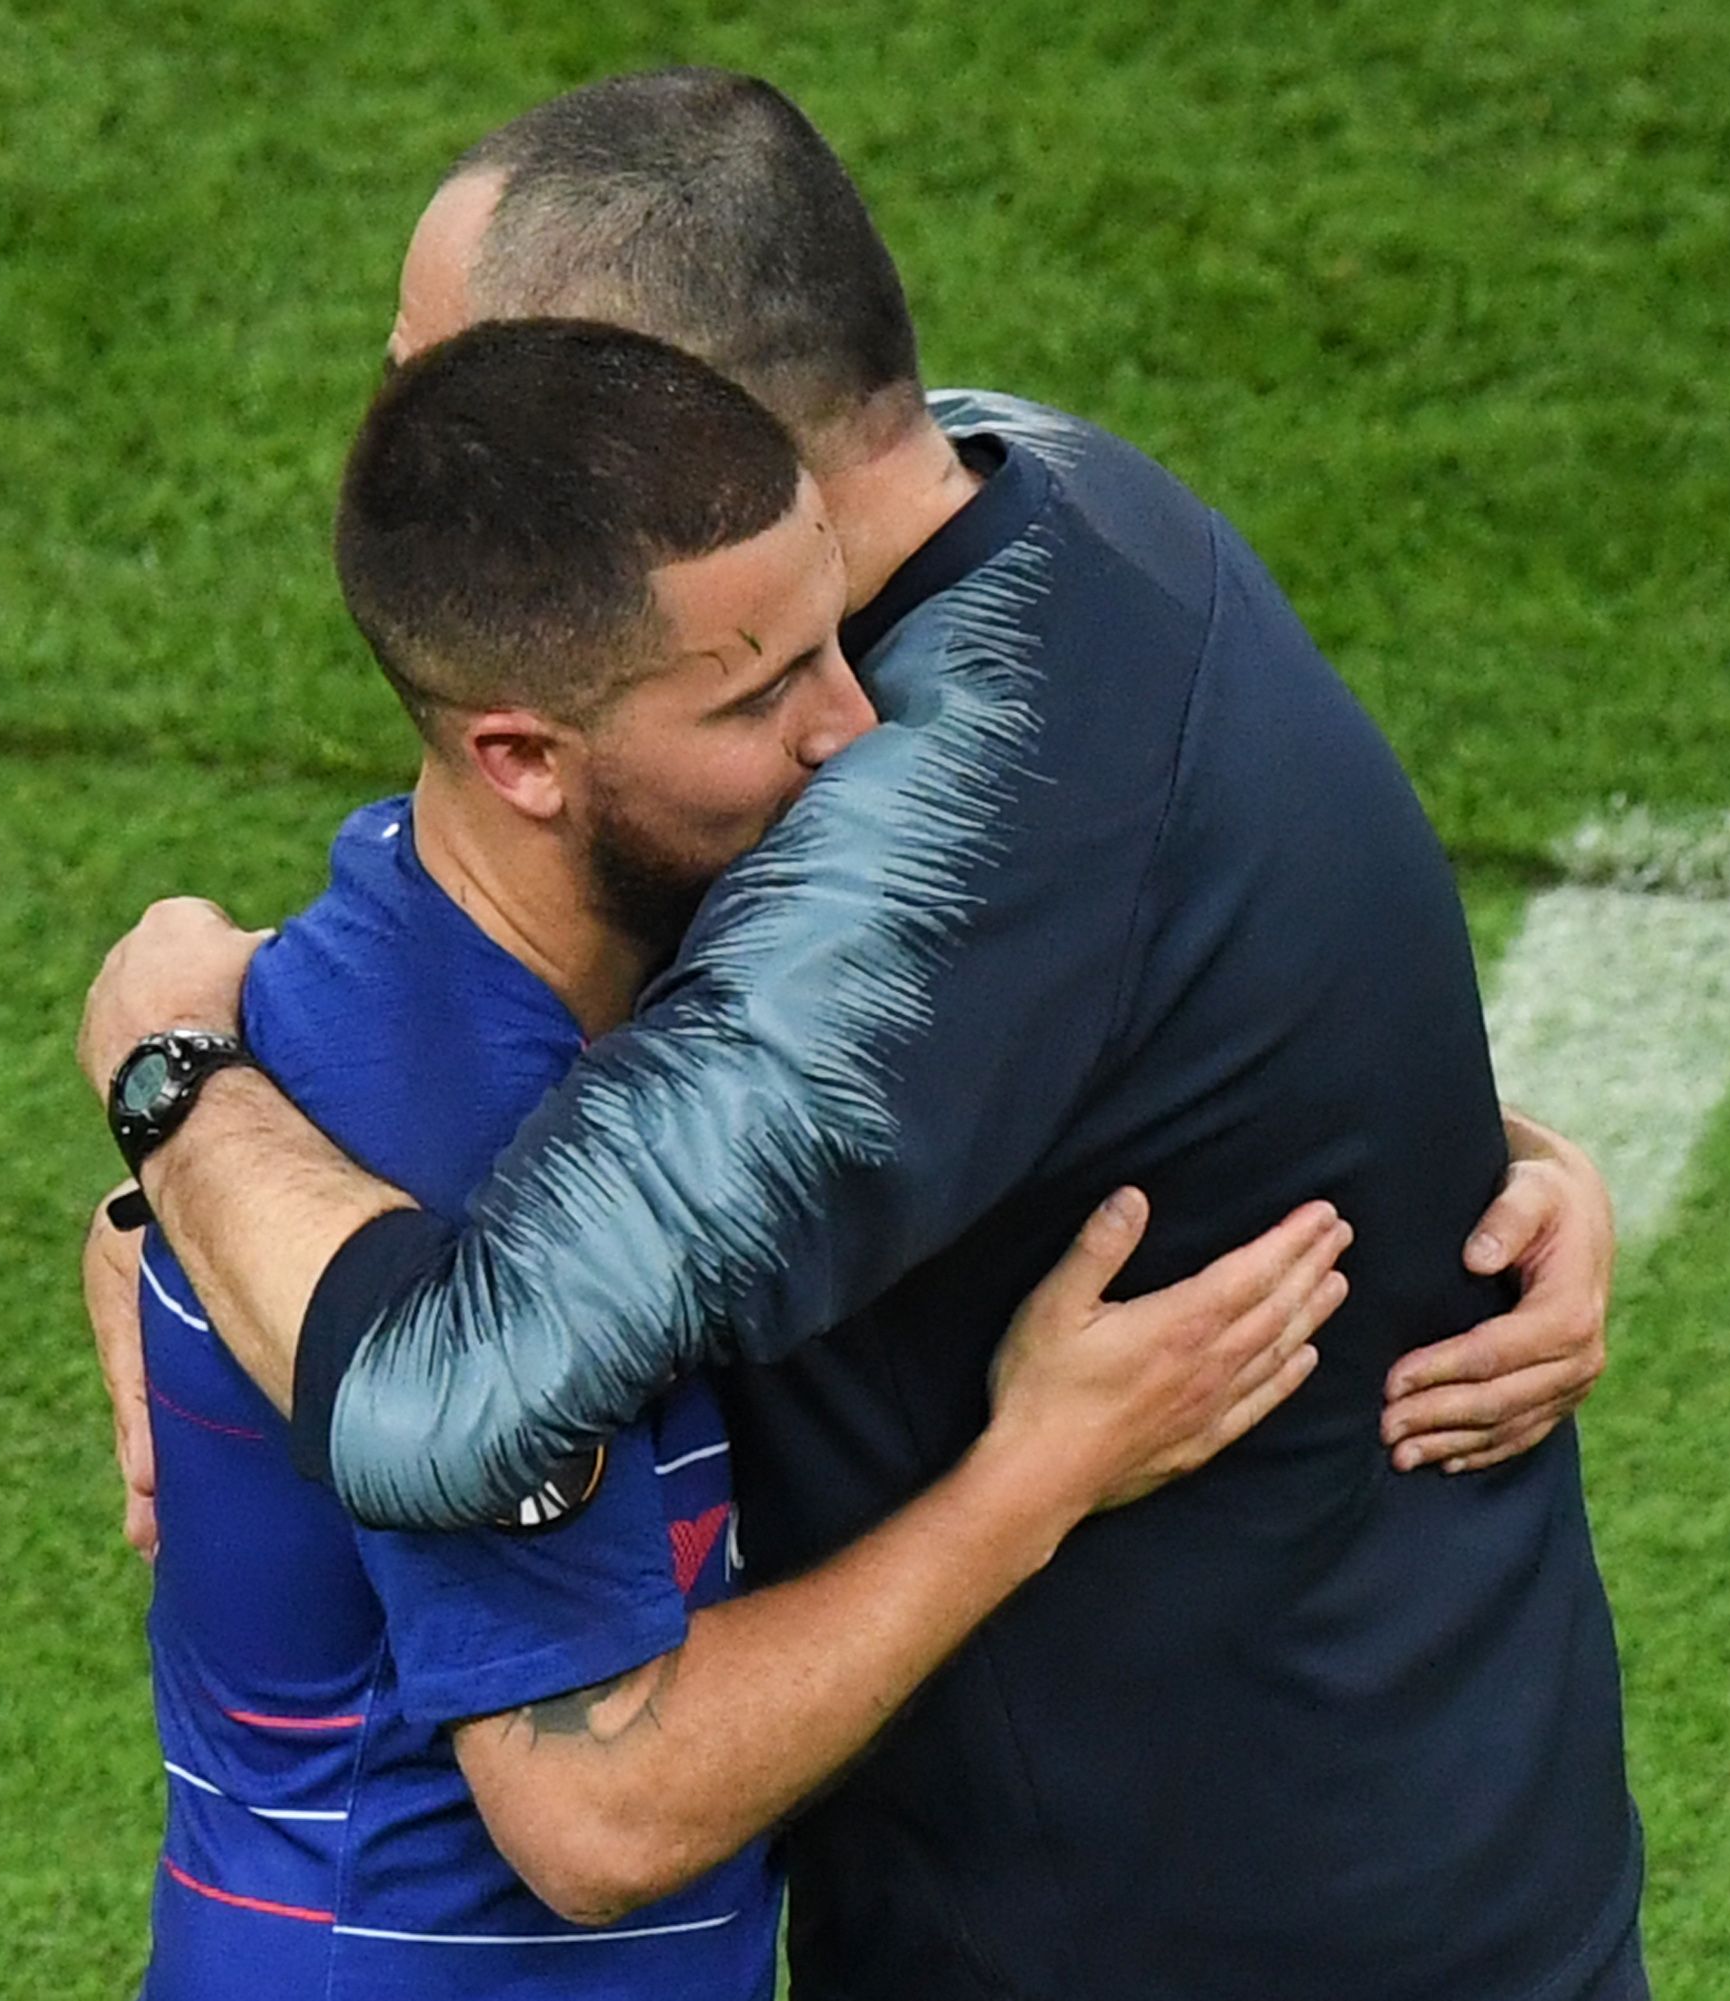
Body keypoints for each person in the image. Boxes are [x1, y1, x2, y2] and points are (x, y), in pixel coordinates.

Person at [82, 70, 1645, 2000]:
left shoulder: (901, 814)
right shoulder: (1046, 483)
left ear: (687, 425)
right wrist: (1436, 1142)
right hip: (1407, 1805)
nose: (412, 443)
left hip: (1181, 1907)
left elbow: (436, 1401)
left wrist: (174, 1083)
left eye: (444, 377)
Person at [98, 319, 1352, 2000]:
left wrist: (1474, 1139)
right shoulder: (449, 1155)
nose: (854, 725)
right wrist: (1041, 1464)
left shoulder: (597, 954)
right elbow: (598, 1808)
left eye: (836, 639)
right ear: (523, 757)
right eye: (760, 693)